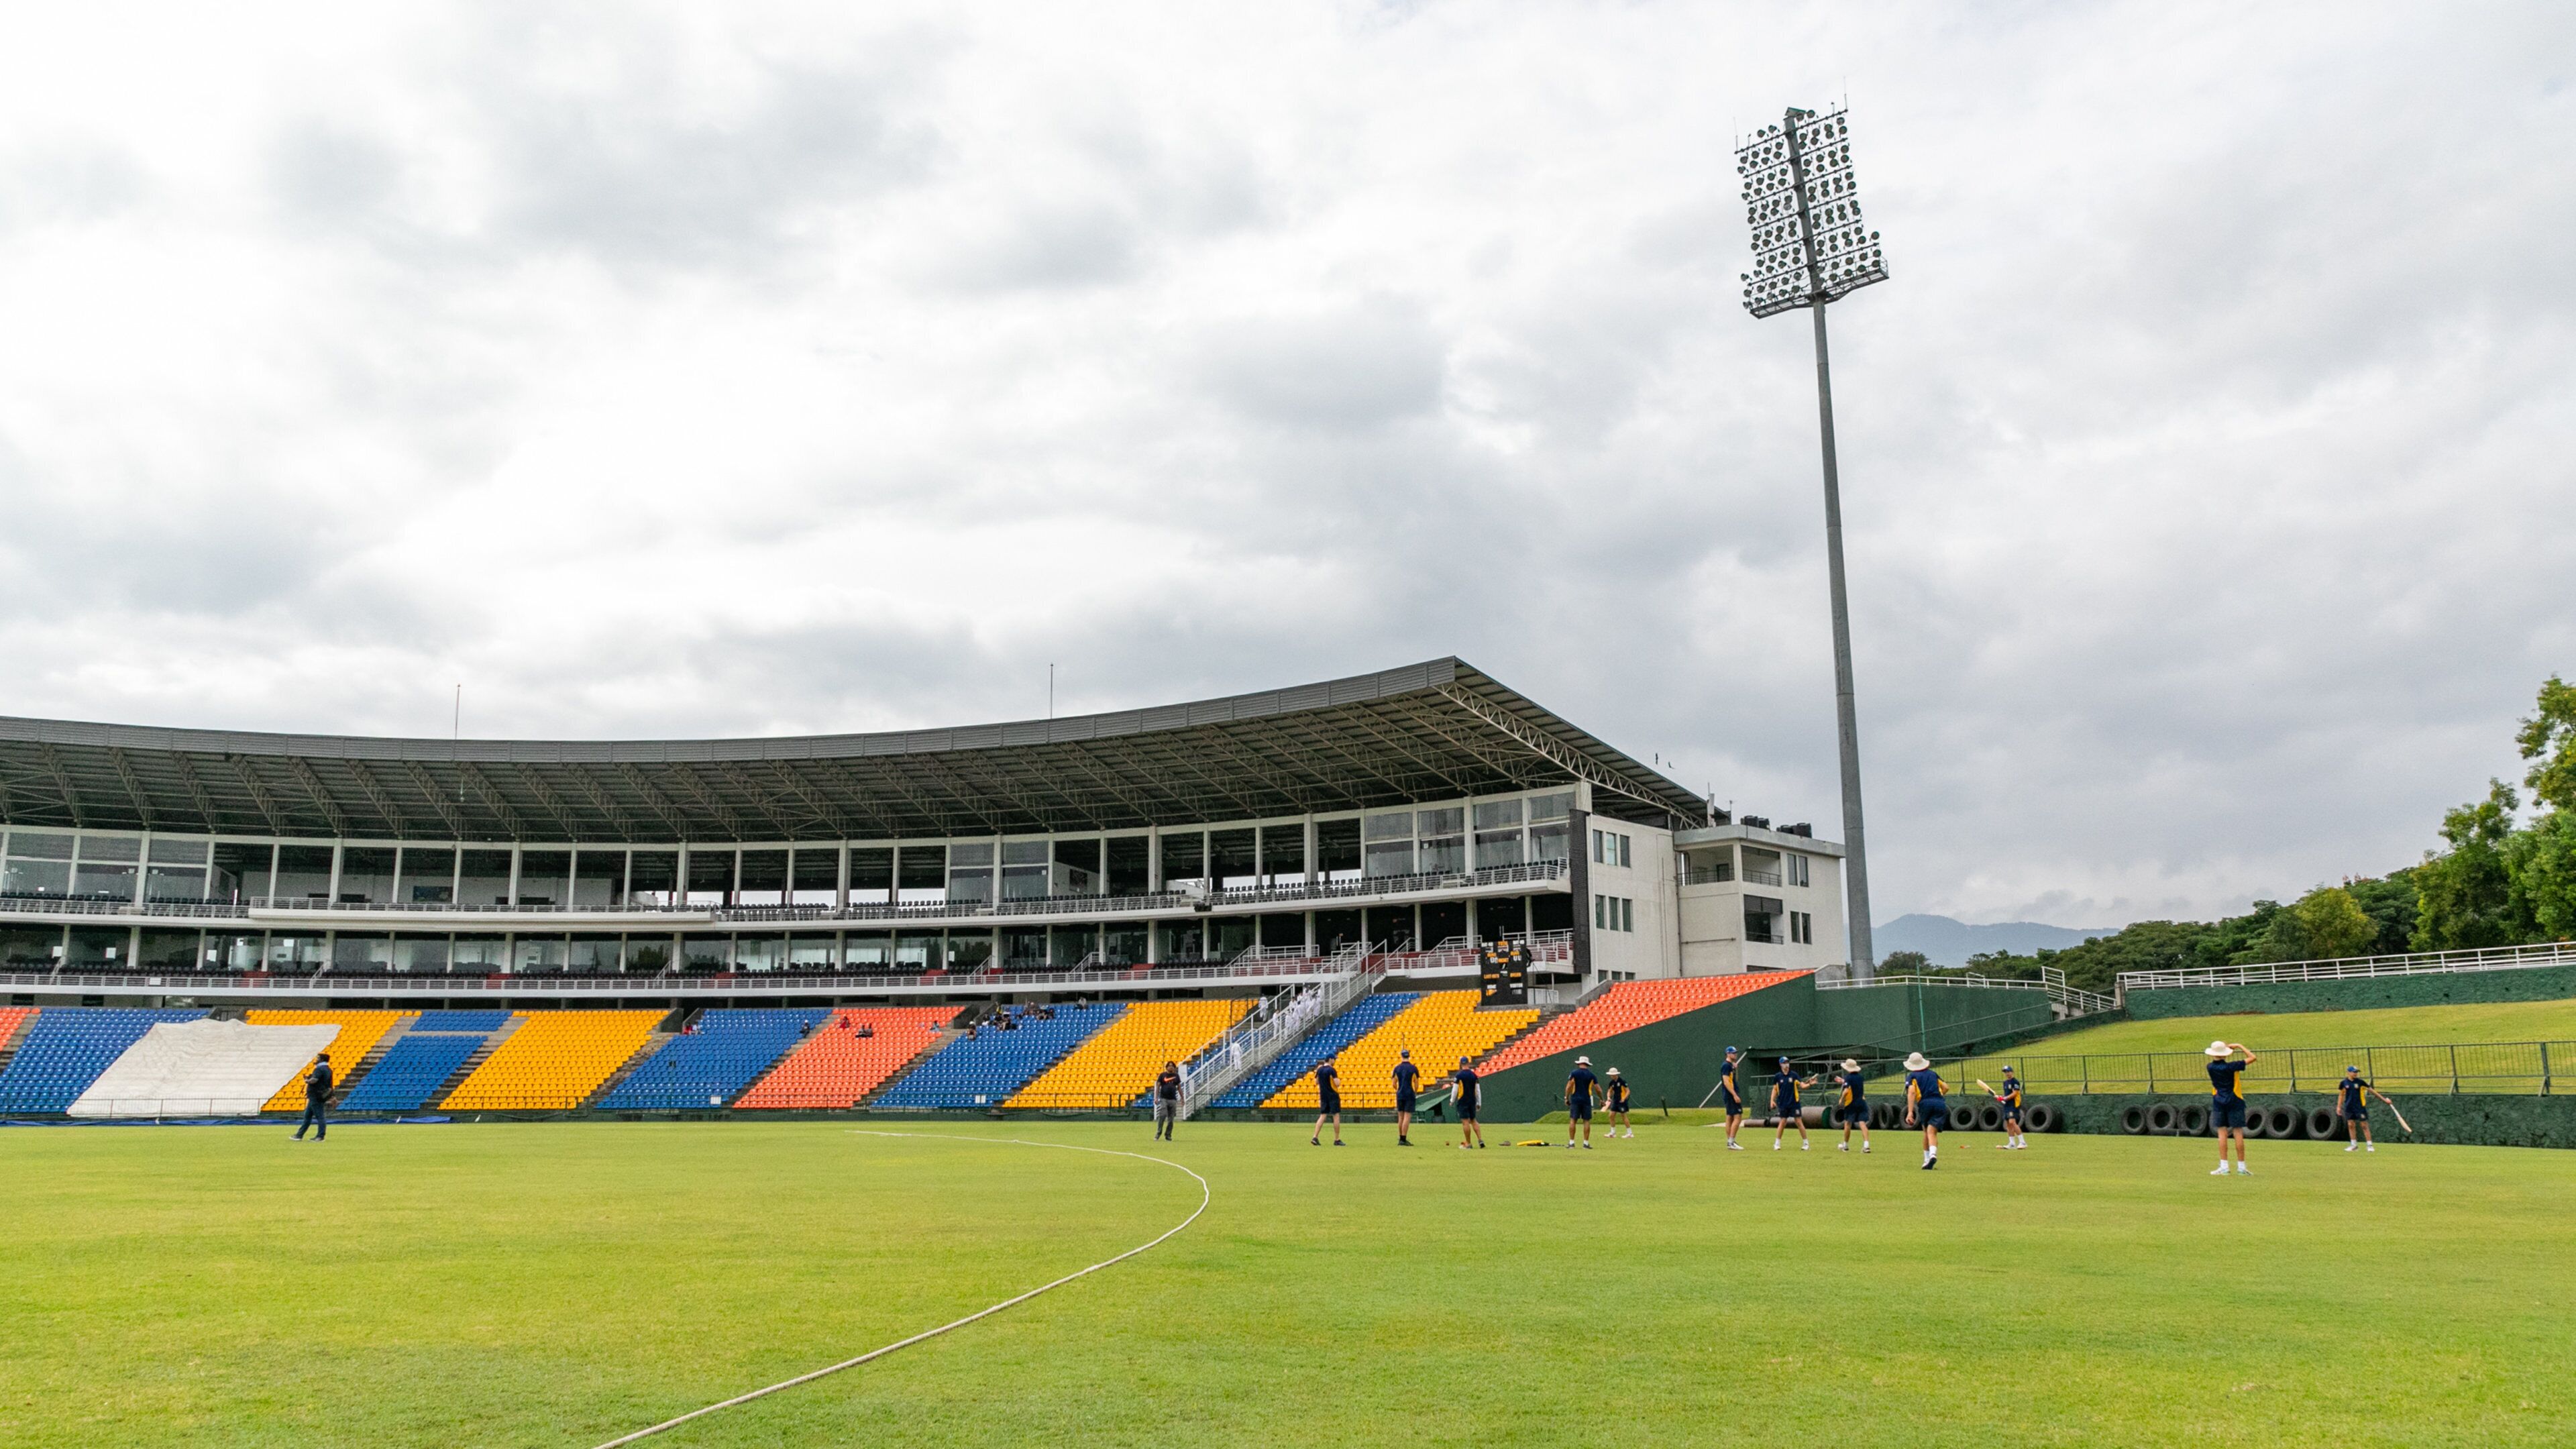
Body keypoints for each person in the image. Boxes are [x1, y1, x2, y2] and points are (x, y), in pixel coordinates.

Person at [2206, 1039, 2258, 1176]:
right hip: (2235, 1100)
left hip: (2219, 1101)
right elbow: (2252, 1057)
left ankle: (2224, 1166)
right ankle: (2241, 1167)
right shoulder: (2232, 1067)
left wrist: (2226, 1051)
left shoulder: (2210, 1067)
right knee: (2238, 1133)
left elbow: (2220, 1061)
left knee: (2222, 1134)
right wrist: (2239, 1046)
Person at [1902, 1051, 1947, 1171]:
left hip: (1925, 1104)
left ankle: (1927, 1158)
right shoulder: (1933, 1074)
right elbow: (1946, 1087)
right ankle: (1933, 1154)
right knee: (1932, 1132)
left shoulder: (1912, 1076)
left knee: (1926, 1132)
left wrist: (1910, 1112)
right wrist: (1939, 1096)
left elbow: (1912, 1092)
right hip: (1940, 1103)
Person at [2335, 1065, 2389, 1152]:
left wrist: (2385, 1100)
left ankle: (2370, 1145)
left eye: (2357, 1072)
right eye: (2354, 1072)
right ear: (2349, 1072)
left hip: (2360, 1107)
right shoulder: (2344, 1083)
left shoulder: (2360, 1082)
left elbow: (2373, 1092)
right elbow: (2341, 1095)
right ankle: (2354, 1145)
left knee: (2364, 1125)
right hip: (2349, 1107)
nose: (2356, 1073)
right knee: (2351, 1125)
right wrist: (2338, 1107)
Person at [1770, 1056, 1817, 1151]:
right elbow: (1775, 1089)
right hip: (1783, 1103)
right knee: (1782, 1122)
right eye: (1784, 1063)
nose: (1786, 1065)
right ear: (1781, 1064)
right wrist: (1772, 1100)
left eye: (1787, 1063)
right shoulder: (1777, 1077)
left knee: (1799, 1122)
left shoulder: (1794, 1075)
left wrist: (1810, 1084)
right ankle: (1777, 1144)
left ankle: (1806, 1144)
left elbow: (1802, 1086)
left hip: (1794, 1103)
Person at [293, 1051, 333, 1142]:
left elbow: (314, 1080)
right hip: (319, 1095)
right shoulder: (328, 1069)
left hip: (316, 1095)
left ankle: (320, 1136)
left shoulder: (319, 1069)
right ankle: (299, 1135)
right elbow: (329, 1083)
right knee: (307, 1116)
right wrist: (332, 1095)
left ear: (322, 1059)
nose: (316, 1059)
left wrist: (307, 1081)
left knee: (320, 1116)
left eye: (318, 1058)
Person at [1834, 1057, 1870, 1153]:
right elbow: (1854, 1085)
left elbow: (1846, 1090)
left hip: (1851, 1103)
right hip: (1862, 1102)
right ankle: (1866, 1146)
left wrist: (1841, 1099)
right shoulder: (1860, 1077)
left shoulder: (1848, 1078)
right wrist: (1843, 1081)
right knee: (1862, 1123)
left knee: (1848, 1123)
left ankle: (1846, 1145)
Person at [1564, 1055, 1601, 1148]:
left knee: (1573, 1120)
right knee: (1586, 1121)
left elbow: (1569, 1086)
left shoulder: (1574, 1073)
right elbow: (1598, 1089)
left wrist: (1566, 1097)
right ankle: (1586, 1143)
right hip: (1586, 1100)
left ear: (1579, 1063)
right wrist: (1602, 1099)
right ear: (1587, 1064)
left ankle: (1572, 1143)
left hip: (1575, 1099)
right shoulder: (1592, 1075)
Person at [1452, 1055, 1485, 1148]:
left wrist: (1452, 1100)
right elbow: (1478, 1090)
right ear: (1468, 1063)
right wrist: (1479, 1103)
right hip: (1472, 1100)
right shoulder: (1474, 1075)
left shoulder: (1459, 1076)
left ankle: (1468, 1143)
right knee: (1474, 1120)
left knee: (1465, 1122)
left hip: (1463, 1101)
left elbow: (1455, 1090)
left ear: (1460, 1064)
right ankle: (1480, 1140)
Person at [1718, 1046, 1748, 1151]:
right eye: (1733, 1053)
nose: (1735, 1054)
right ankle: (1731, 1141)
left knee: (1730, 1117)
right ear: (1728, 1054)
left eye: (1736, 1053)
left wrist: (1734, 1067)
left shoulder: (1730, 1065)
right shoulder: (1726, 1066)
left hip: (1729, 1094)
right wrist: (1734, 1095)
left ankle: (1730, 1142)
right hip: (1730, 1094)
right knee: (1738, 1117)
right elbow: (1726, 1082)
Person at [1311, 1057, 1344, 1146]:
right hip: (1333, 1096)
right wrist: (1339, 1081)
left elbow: (1316, 1082)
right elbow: (1337, 1084)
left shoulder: (1320, 1070)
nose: (1334, 1061)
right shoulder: (1332, 1070)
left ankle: (1315, 1137)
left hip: (1323, 1096)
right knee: (1336, 1116)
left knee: (1322, 1116)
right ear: (1330, 1059)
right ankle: (1337, 1139)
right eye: (1334, 1059)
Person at [1992, 1066, 2027, 1150]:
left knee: (2012, 1123)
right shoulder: (2005, 1083)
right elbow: (2006, 1094)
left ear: (2012, 1072)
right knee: (2008, 1124)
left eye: (2008, 1072)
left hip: (2013, 1105)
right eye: (2005, 1072)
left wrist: (2005, 1098)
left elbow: (2015, 1093)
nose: (2007, 1073)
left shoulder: (2015, 1082)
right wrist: (2000, 1097)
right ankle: (2012, 1144)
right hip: (2007, 1105)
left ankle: (2023, 1142)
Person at [1392, 1049, 1421, 1146]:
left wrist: (1398, 1090)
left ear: (1401, 1056)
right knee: (1407, 1117)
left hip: (1400, 1094)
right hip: (1409, 1094)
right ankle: (1404, 1139)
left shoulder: (1397, 1068)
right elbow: (1416, 1084)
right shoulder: (1413, 1069)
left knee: (1400, 1117)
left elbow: (1394, 1083)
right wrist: (1415, 1091)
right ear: (1409, 1056)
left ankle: (1401, 1138)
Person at [1152, 1059, 1183, 1142]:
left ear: (1174, 1067)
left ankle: (1168, 1135)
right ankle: (1158, 1133)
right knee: (1163, 1115)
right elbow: (1158, 1086)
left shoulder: (1176, 1076)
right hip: (1164, 1099)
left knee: (1171, 1119)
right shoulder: (1163, 1075)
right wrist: (1156, 1097)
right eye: (1169, 1066)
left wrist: (1182, 1098)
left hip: (1173, 1099)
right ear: (1166, 1067)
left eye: (1172, 1066)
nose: (1171, 1067)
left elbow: (1179, 1088)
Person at [1603, 1067, 1634, 1139]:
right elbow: (1609, 1091)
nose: (1611, 1076)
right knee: (1611, 1115)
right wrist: (1608, 1097)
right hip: (1615, 1101)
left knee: (1623, 1116)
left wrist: (1624, 1098)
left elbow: (1628, 1091)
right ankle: (1613, 1133)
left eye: (1613, 1075)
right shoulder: (1612, 1083)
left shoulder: (1622, 1081)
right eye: (1611, 1075)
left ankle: (1630, 1133)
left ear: (1616, 1074)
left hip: (1622, 1102)